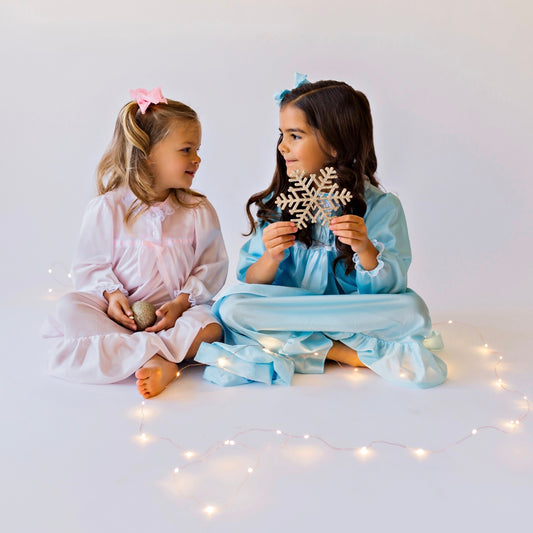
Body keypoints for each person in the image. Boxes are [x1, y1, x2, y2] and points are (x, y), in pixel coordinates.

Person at [195, 75, 446, 388]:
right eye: (282, 134)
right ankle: (338, 351)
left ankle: (304, 345)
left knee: (413, 311)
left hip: (349, 311)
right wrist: (272, 257)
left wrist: (365, 248)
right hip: (289, 309)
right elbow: (251, 279)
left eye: (295, 135)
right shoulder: (282, 204)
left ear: (335, 146)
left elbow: (390, 291)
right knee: (230, 307)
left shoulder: (381, 207)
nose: (282, 146)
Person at [42, 87, 228, 398]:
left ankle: (135, 355)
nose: (197, 159)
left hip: (175, 315)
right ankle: (160, 359)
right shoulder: (107, 208)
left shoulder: (197, 210)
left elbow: (211, 265)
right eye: (186, 150)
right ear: (149, 153)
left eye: (197, 150)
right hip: (120, 316)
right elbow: (91, 264)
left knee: (212, 328)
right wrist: (113, 297)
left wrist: (182, 303)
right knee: (69, 307)